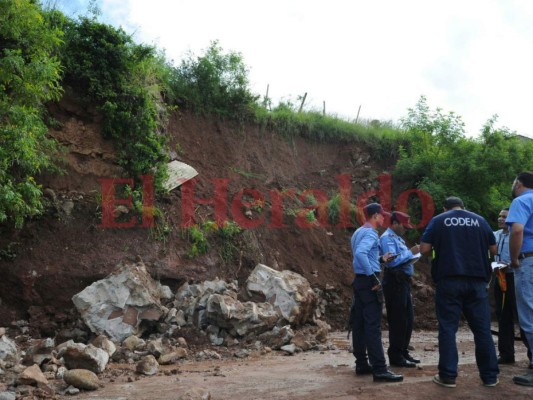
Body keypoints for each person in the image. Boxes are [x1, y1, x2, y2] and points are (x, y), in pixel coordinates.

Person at [419, 196, 499, 388]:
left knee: (448, 328)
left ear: (445, 208)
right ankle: (490, 377)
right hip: (478, 281)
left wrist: (438, 253)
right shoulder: (479, 220)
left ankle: (448, 376)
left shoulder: (439, 220)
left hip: (449, 280)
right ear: (463, 206)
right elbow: (494, 249)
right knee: (482, 330)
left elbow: (424, 249)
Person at [351, 203, 403, 382]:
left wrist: (380, 259)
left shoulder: (358, 232)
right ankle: (380, 369)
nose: (384, 218)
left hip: (359, 281)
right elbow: (360, 254)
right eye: (382, 216)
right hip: (368, 283)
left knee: (359, 324)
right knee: (373, 326)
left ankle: (362, 363)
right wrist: (373, 277)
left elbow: (364, 255)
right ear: (374, 216)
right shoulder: (371, 233)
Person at [380, 211, 421, 368]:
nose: (405, 229)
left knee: (407, 319)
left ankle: (403, 351)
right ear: (395, 223)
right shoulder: (387, 238)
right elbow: (391, 262)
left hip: (403, 281)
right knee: (398, 320)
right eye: (403, 226)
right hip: (394, 281)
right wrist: (410, 253)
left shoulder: (398, 238)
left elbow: (403, 259)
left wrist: (412, 256)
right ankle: (395, 355)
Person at [493, 207, 530, 365]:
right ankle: (506, 354)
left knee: (523, 316)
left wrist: (511, 264)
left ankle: (531, 356)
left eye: (505, 217)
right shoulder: (494, 235)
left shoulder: (519, 235)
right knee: (503, 316)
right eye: (500, 216)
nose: (501, 219)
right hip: (499, 277)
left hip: (515, 276)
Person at [507, 172, 533, 386]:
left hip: (529, 262)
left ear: (519, 183)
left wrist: (514, 259)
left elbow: (517, 230)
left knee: (529, 316)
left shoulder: (521, 200)